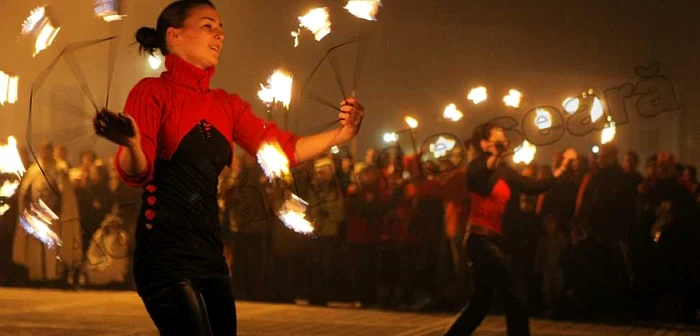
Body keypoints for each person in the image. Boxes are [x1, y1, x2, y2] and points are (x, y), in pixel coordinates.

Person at [92, 1, 365, 335]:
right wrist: (131, 144)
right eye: (208, 25)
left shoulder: (226, 105)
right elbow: (137, 171)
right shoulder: (152, 92)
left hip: (210, 255)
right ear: (174, 35)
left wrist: (342, 133)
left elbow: (284, 149)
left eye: (221, 27)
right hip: (164, 254)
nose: (220, 34)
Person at [445, 123, 574, 336]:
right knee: (514, 294)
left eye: (503, 137)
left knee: (480, 305)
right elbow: (479, 178)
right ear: (485, 144)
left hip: (492, 242)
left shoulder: (504, 170)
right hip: (479, 241)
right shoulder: (476, 166)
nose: (503, 140)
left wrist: (560, 170)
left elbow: (533, 186)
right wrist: (495, 155)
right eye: (497, 138)